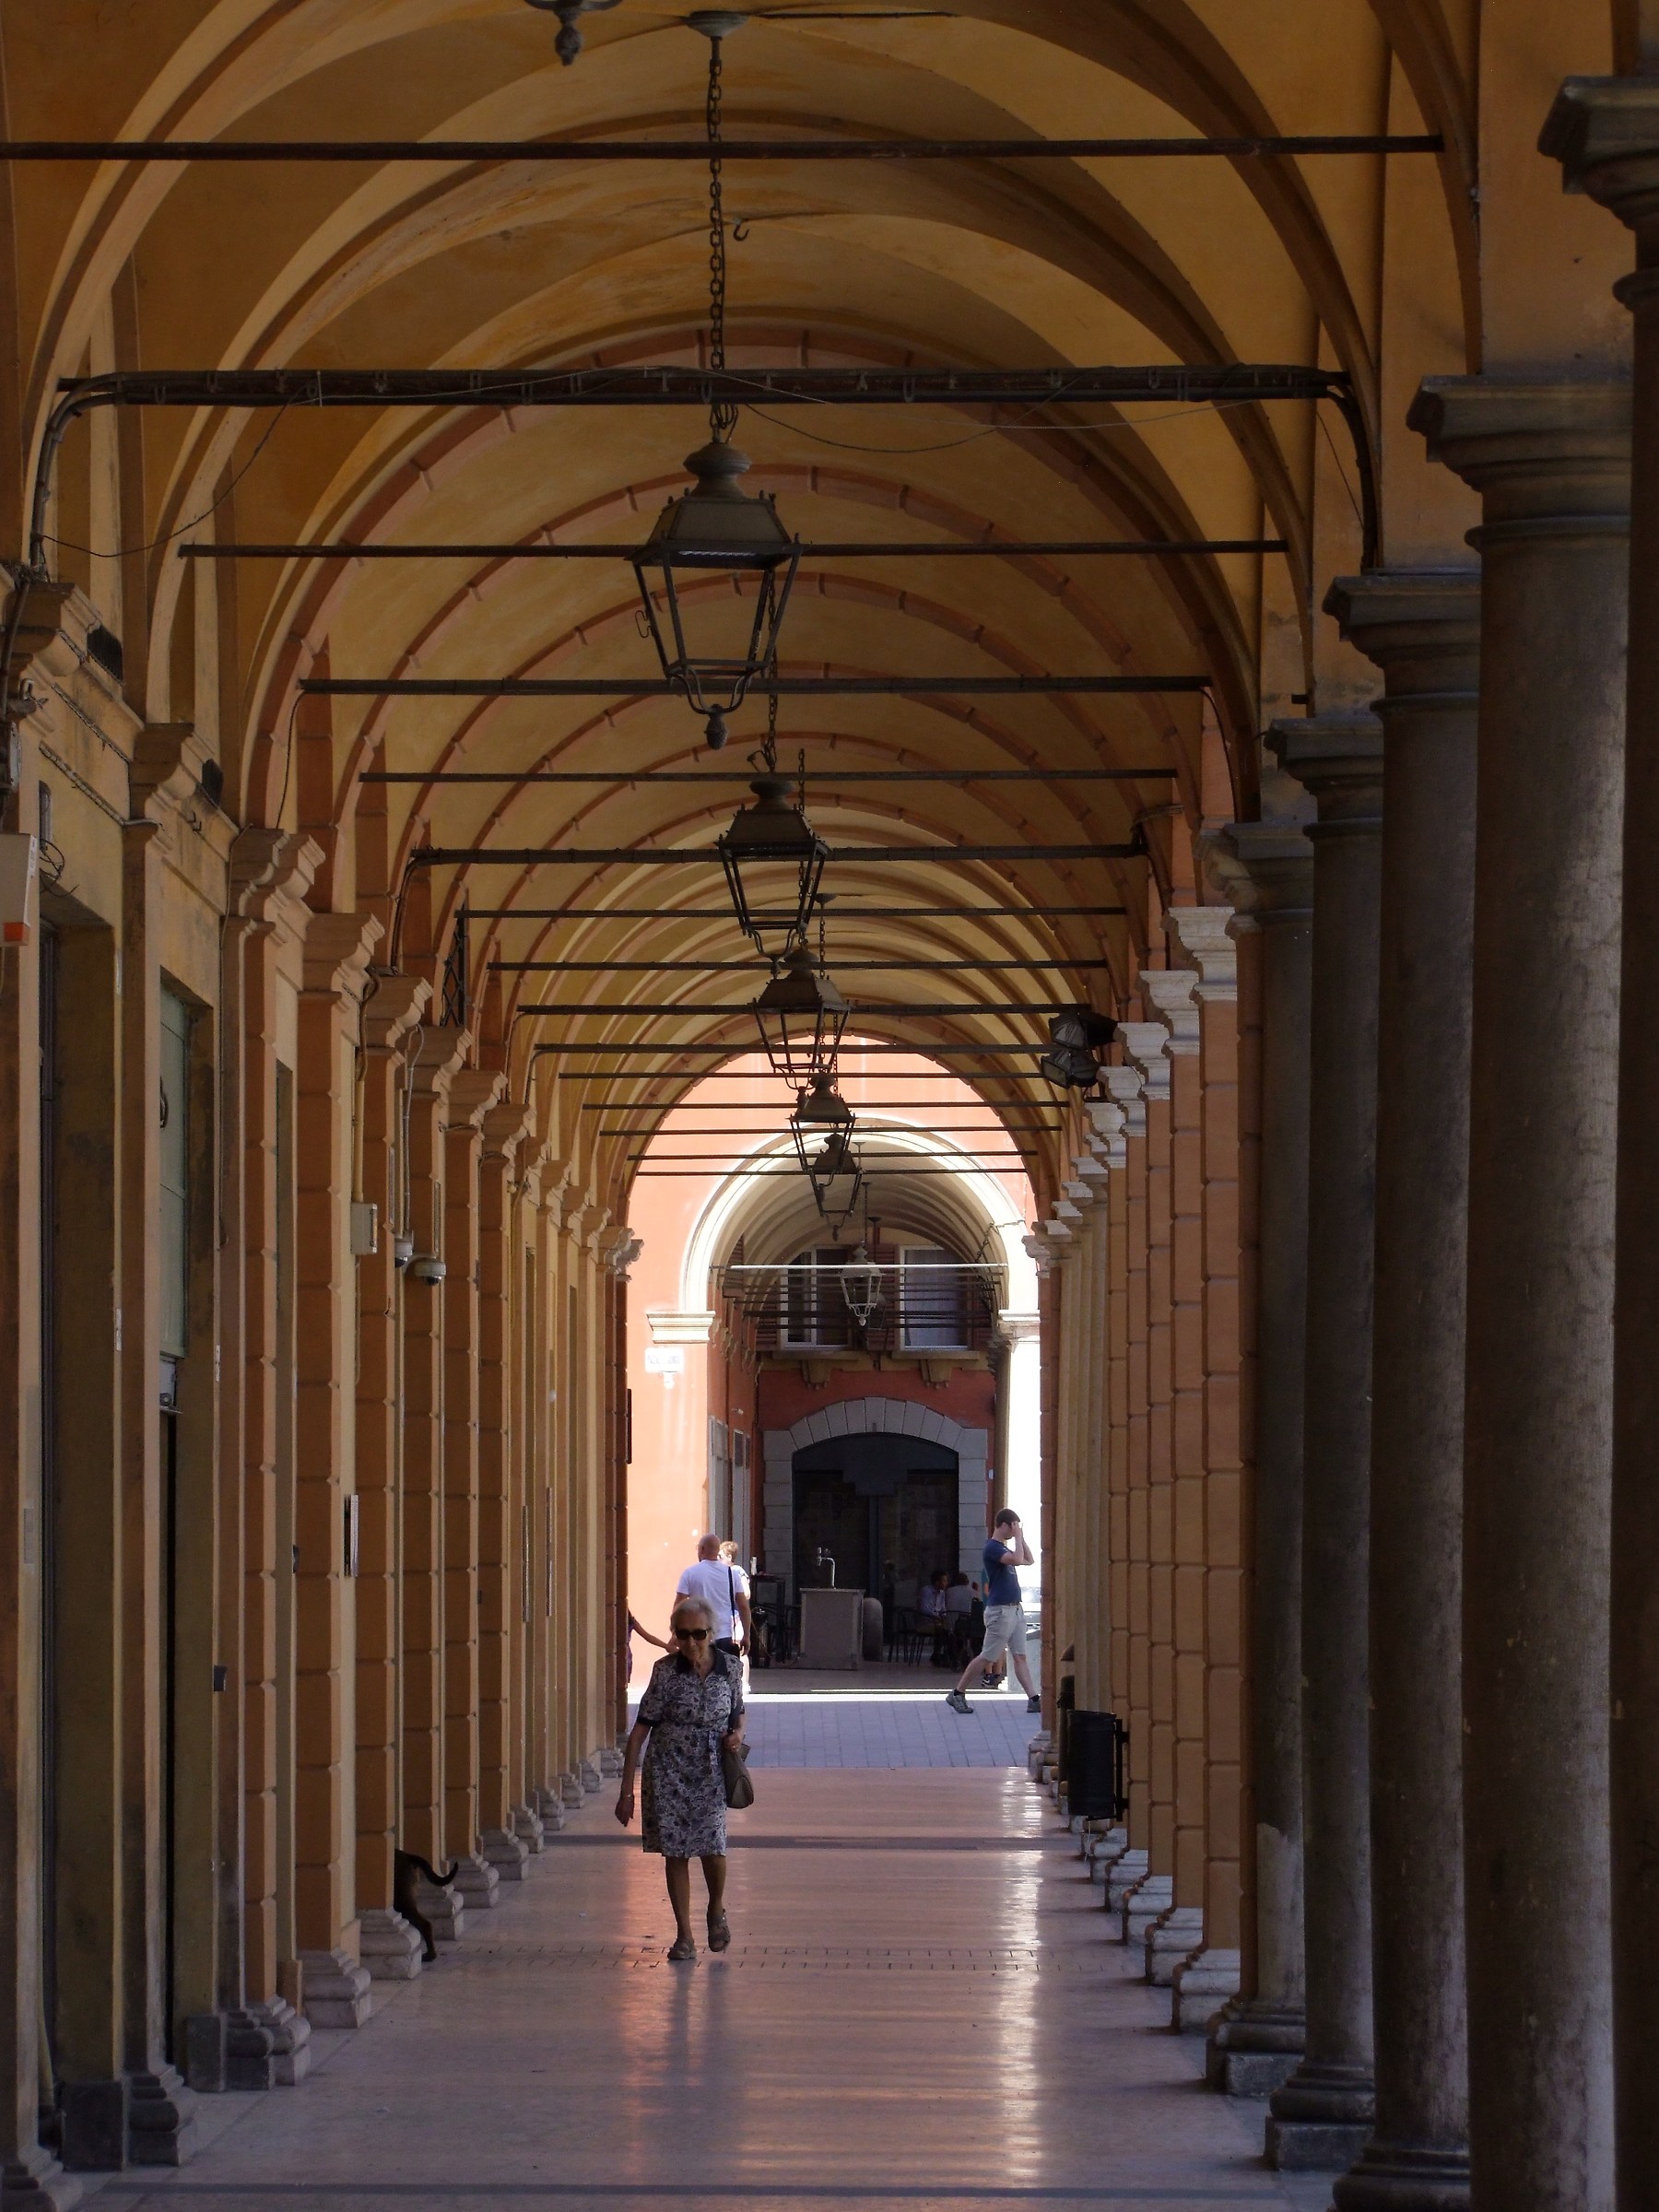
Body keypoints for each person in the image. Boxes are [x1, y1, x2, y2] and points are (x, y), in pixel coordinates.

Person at [616, 1595, 747, 1961]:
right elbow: (640, 1732)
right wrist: (627, 1791)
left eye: (698, 1634)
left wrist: (737, 1735)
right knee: (675, 1851)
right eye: (683, 1634)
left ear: (711, 1633)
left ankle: (715, 1910)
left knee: (712, 1845)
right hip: (669, 1768)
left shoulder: (730, 1669)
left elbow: (738, 1714)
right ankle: (684, 1936)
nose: (691, 1642)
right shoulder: (665, 1671)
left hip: (710, 1768)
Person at [946, 1509, 1041, 1714]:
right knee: (988, 1656)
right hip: (1000, 1611)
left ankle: (1033, 1698)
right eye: (1013, 1526)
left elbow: (1029, 1560)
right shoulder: (992, 1548)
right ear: (1004, 1525)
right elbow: (1017, 1559)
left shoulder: (1006, 1549)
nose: (1014, 1531)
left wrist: (1020, 1537)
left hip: (1015, 1610)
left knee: (1020, 1656)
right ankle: (958, 1692)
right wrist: (1017, 1538)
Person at [676, 1533, 752, 1664]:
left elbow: (679, 1606)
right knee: (722, 1678)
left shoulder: (689, 1573)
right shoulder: (732, 1574)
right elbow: (743, 1607)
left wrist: (676, 1633)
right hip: (723, 1635)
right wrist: (747, 1635)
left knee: (696, 1676)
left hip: (697, 1635)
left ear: (702, 1549)